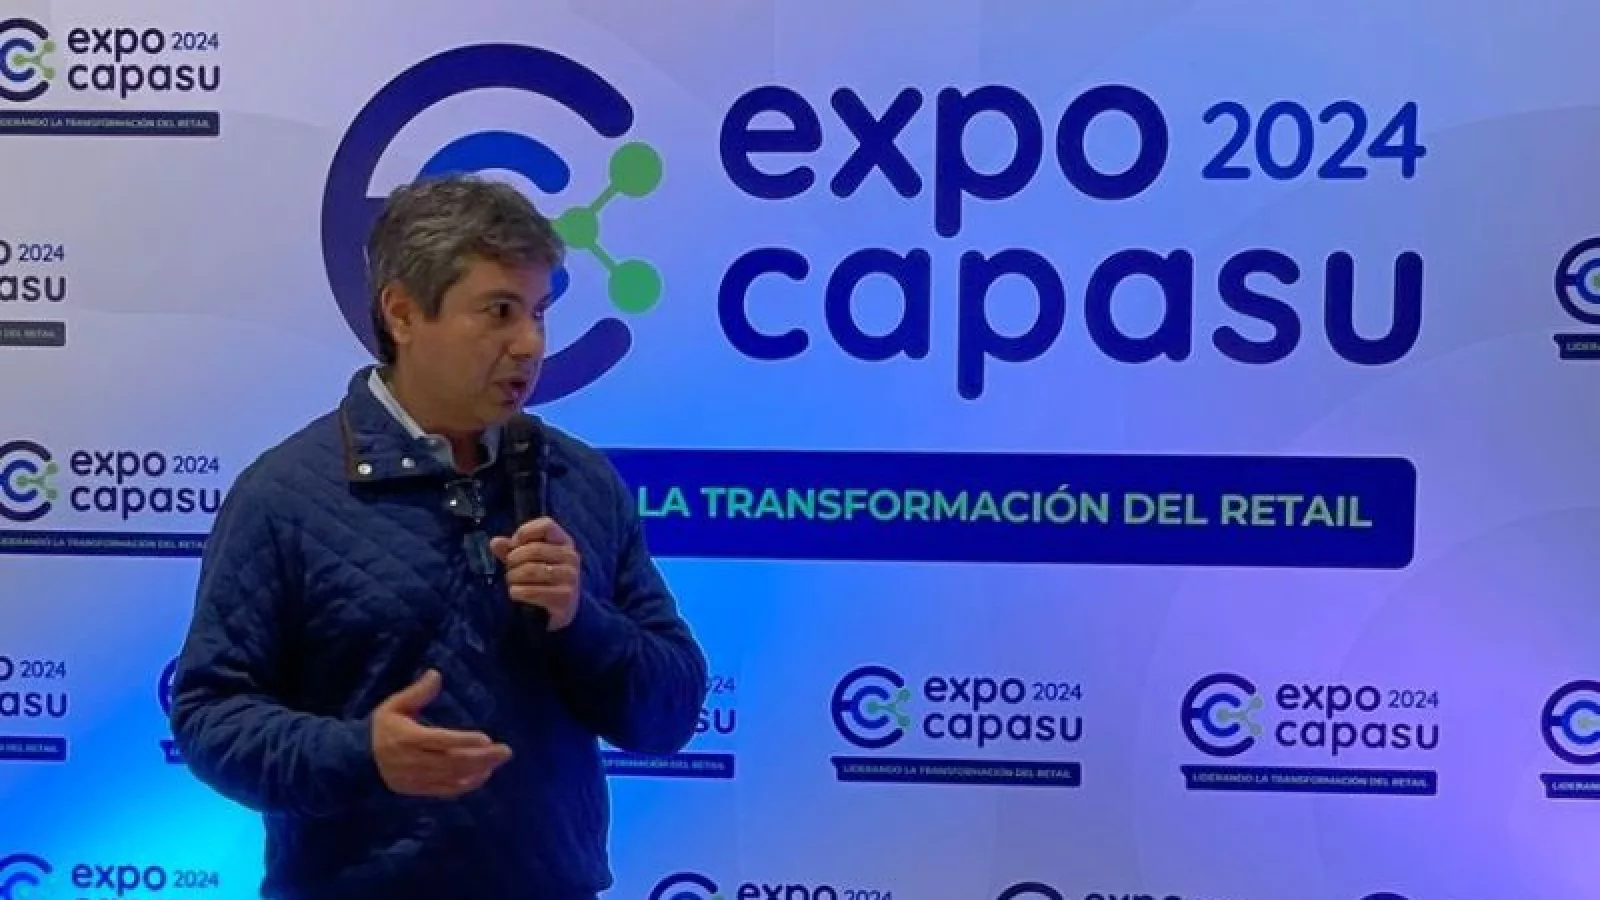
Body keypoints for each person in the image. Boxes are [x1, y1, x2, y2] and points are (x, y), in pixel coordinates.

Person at [167, 174, 708, 900]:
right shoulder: (285, 495)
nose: (530, 344)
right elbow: (210, 718)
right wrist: (358, 753)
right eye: (499, 311)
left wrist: (582, 622)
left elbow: (671, 711)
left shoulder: (579, 480)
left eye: (539, 312)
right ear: (402, 313)